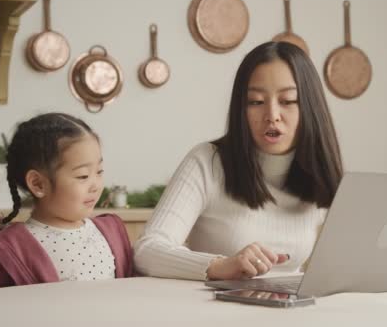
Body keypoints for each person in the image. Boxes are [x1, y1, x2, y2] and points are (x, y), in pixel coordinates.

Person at [133, 42, 343, 281]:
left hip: (291, 314)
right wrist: (219, 266)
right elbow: (147, 251)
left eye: (287, 101)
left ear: (310, 107)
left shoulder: (319, 174)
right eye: (255, 101)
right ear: (240, 109)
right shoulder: (208, 161)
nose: (272, 115)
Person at [0, 113, 134, 290]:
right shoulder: (11, 249)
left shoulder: (111, 232)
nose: (95, 185)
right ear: (38, 184)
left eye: (100, 171)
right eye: (83, 176)